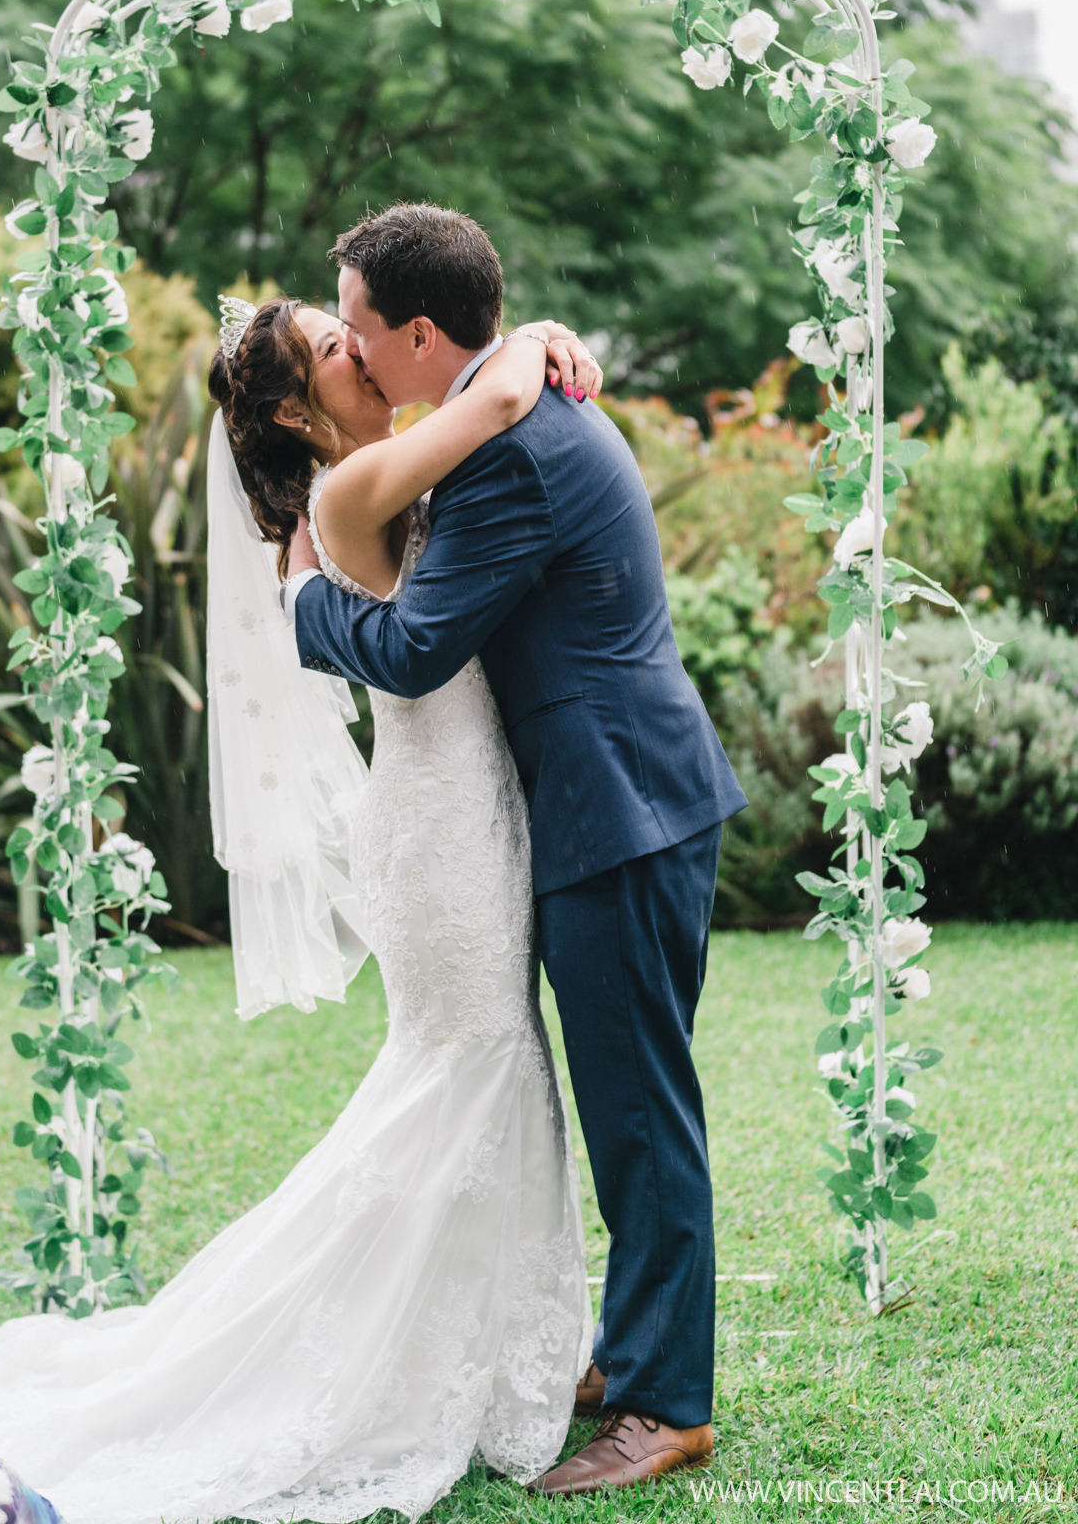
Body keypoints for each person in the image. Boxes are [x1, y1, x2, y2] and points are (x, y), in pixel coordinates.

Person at [0, 295, 605, 1524]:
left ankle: (518, 1340)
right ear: (296, 406)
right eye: (338, 349)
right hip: (444, 826)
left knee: (479, 1067)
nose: (364, 353)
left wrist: (536, 332)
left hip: (457, 807)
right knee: (480, 1065)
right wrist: (527, 341)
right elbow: (495, 400)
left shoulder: (353, 479)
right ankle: (459, 1356)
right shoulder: (349, 499)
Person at [285, 202, 748, 1497]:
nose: (360, 358)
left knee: (641, 1111)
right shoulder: (501, 409)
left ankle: (665, 1405)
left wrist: (306, 608)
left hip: (621, 806)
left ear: (424, 334)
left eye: (365, 332)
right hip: (613, 798)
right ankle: (637, 1351)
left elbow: (419, 645)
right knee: (624, 1103)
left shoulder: (507, 455)